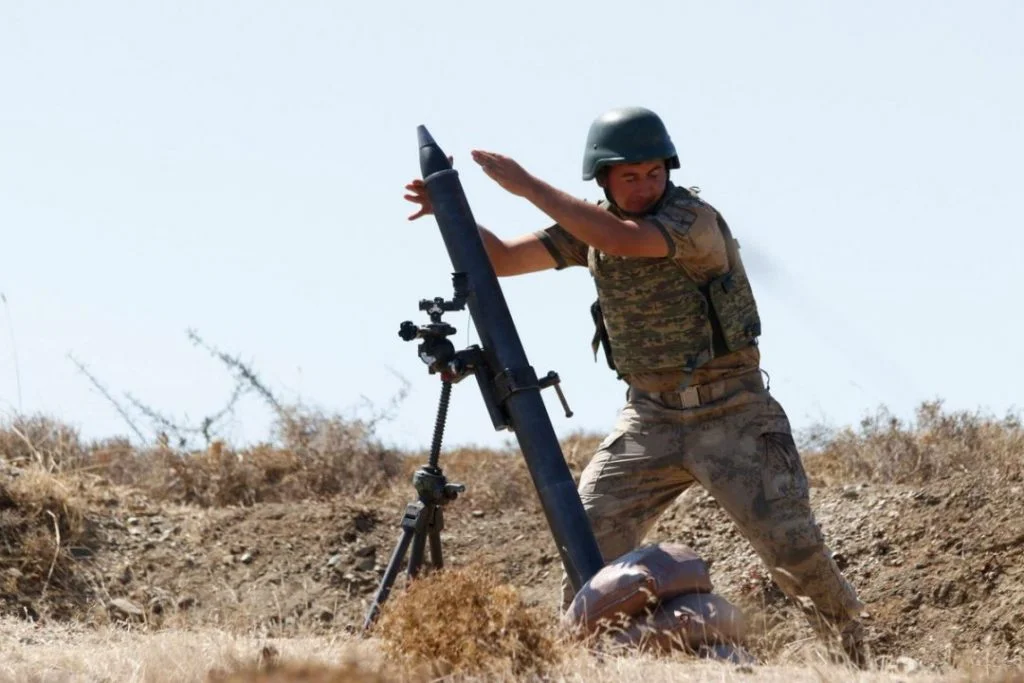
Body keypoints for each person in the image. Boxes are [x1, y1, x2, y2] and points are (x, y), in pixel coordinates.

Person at [403, 106, 868, 663]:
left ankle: (853, 659)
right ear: (603, 179)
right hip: (650, 419)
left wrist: (528, 186)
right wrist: (449, 212)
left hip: (734, 414)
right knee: (587, 539)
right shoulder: (589, 227)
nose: (646, 186)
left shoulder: (691, 220)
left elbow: (623, 240)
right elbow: (500, 259)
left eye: (654, 173)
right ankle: (585, 662)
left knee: (794, 551)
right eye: (630, 176)